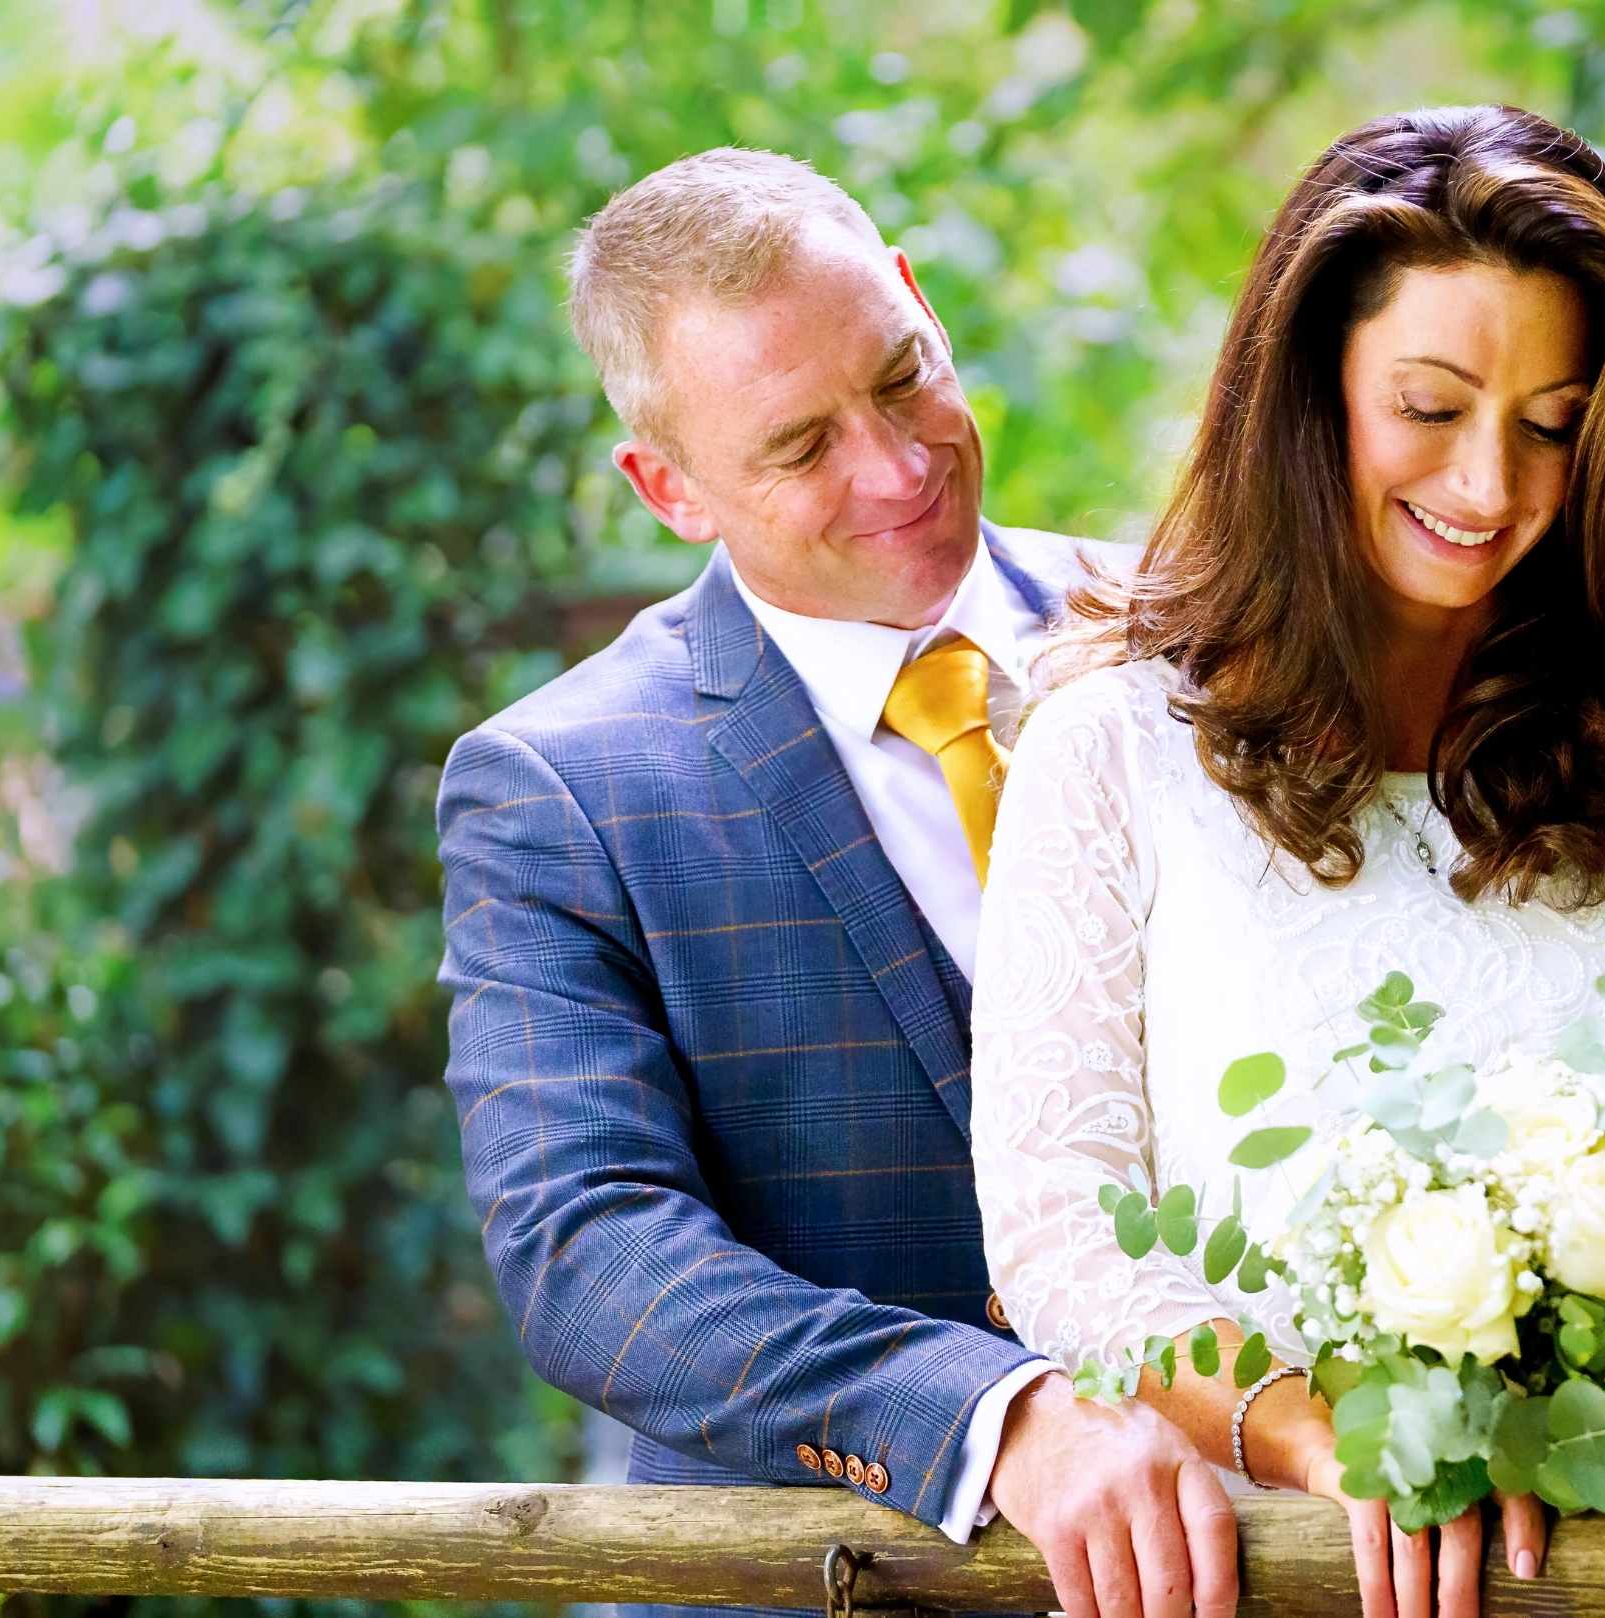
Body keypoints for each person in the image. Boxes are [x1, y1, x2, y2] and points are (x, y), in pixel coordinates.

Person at [969, 104, 1605, 1618]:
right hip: (1256, 1568)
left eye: (1551, 424)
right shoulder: (1113, 750)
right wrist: (1343, 1451)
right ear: (1312, 379)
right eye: (1431, 404)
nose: (1489, 486)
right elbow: (1063, 1226)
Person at [437, 148, 1238, 1618]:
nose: (897, 464)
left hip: (1266, 1566)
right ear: (666, 486)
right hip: (820, 1590)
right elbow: (588, 1247)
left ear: (921, 302)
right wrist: (994, 1419)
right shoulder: (558, 788)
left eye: (905, 374)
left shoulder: (1213, 642)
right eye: (801, 446)